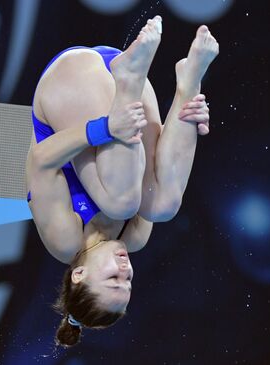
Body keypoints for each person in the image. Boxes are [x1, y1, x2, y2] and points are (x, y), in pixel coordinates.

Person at [25, 16, 219, 347]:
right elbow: (158, 164)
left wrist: (103, 129)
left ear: (79, 275)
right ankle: (189, 81)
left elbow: (40, 162)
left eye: (113, 278)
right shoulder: (136, 238)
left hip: (72, 79)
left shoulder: (64, 240)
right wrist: (187, 120)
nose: (125, 270)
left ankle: (128, 79)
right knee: (161, 205)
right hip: (121, 85)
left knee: (122, 202)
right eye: (128, 282)